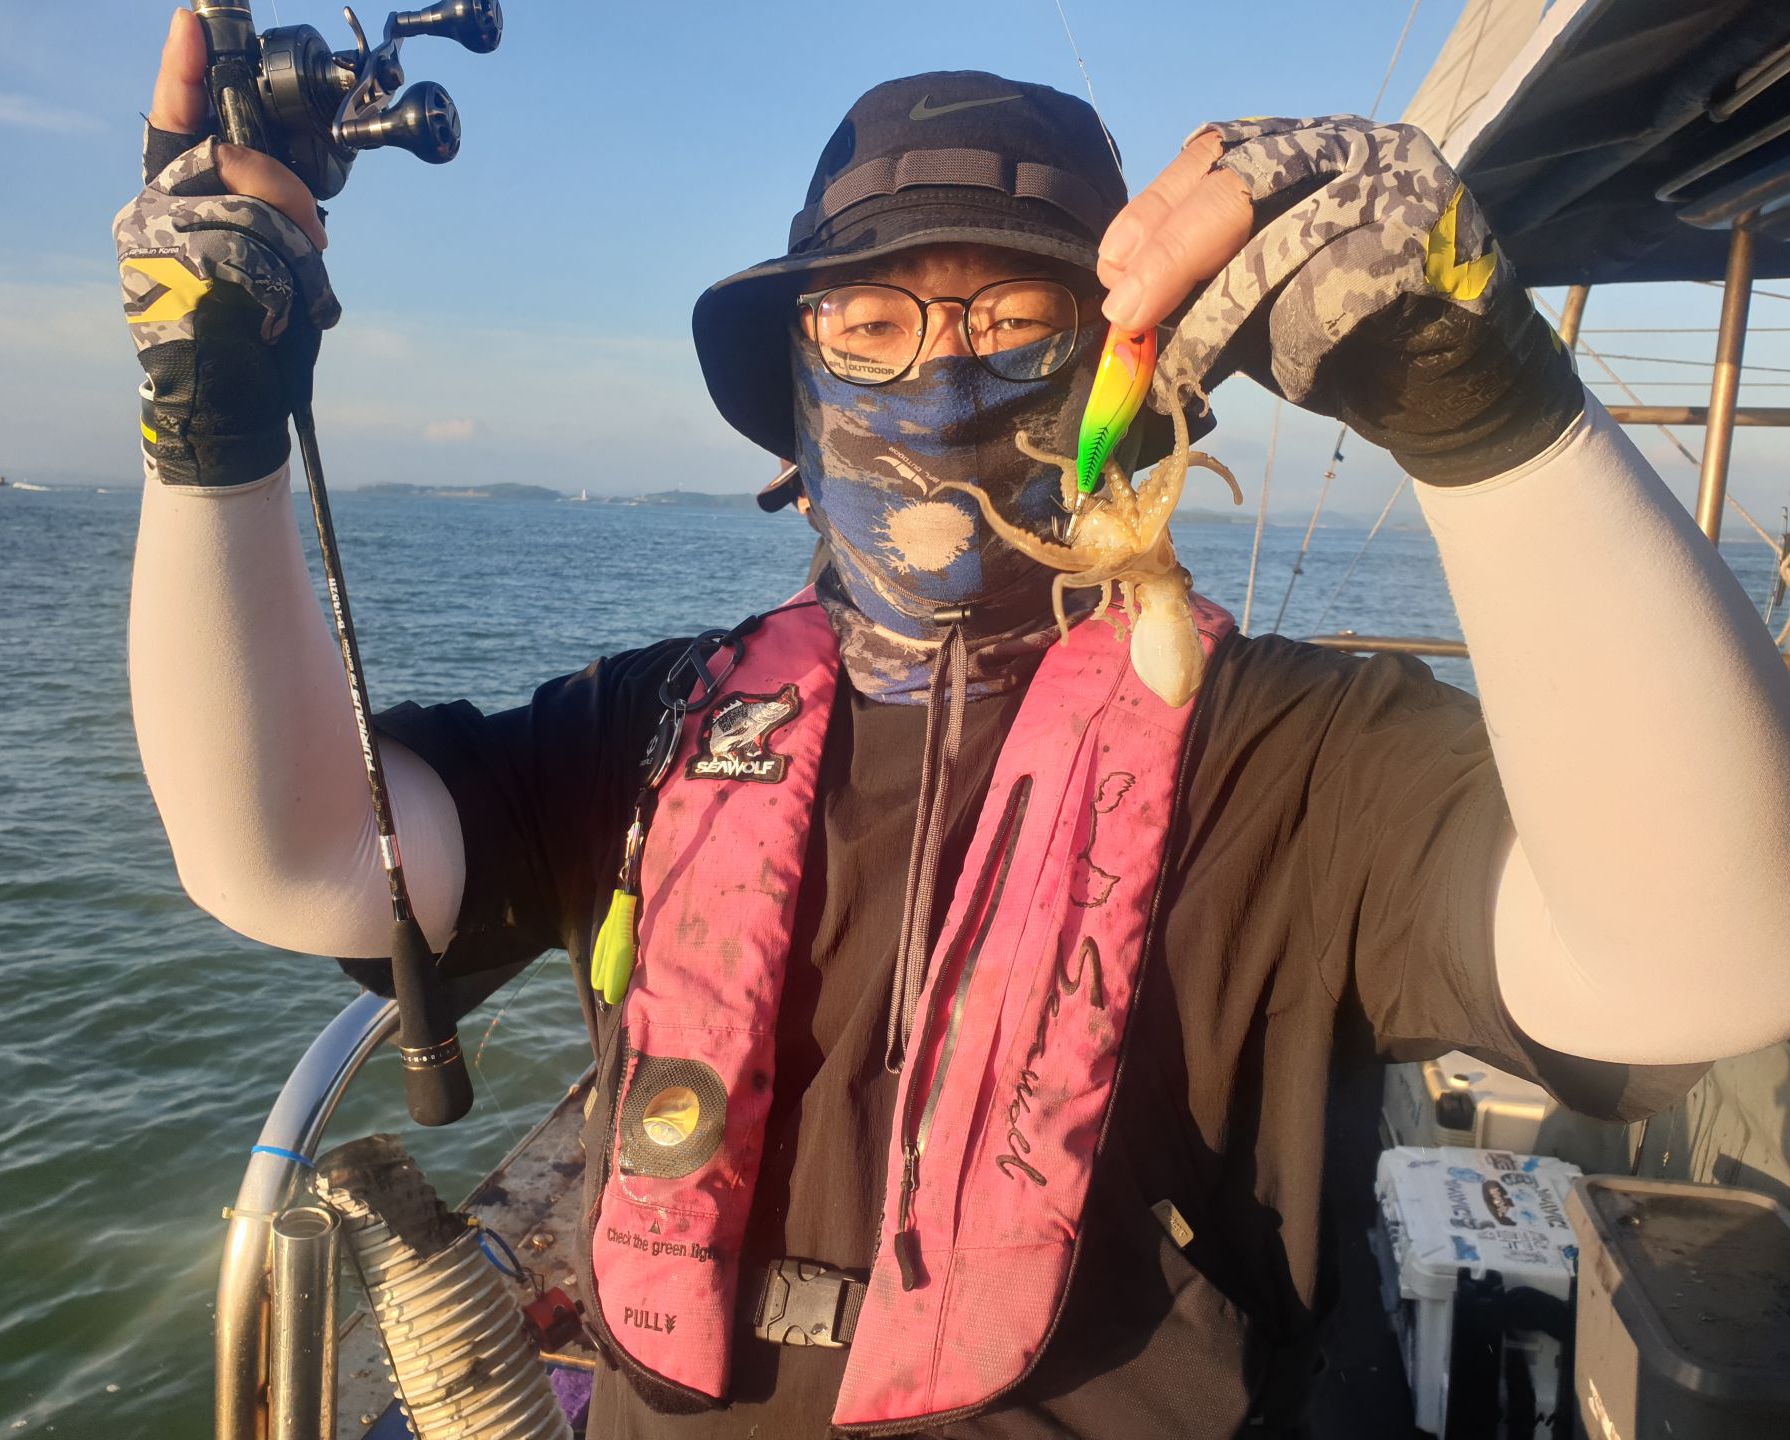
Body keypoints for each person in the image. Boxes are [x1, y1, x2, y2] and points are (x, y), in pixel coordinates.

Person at [119, 10, 1790, 1438]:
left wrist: (1484, 409)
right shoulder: (655, 728)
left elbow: (1704, 949)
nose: (940, 377)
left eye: (1018, 320)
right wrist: (213, 431)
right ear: (798, 402)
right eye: (870, 322)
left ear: (1132, 382)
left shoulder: (1292, 756)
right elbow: (299, 858)